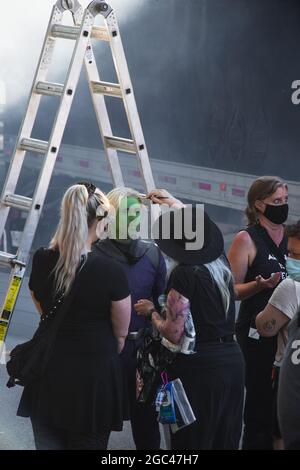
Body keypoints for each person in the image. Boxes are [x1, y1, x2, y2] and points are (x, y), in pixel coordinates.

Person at [16, 182, 131, 450]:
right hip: (94, 385)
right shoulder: (110, 271)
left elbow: (44, 310)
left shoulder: (43, 259)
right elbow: (121, 333)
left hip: (48, 377)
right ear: (100, 221)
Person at [135, 190, 245, 450]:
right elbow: (202, 231)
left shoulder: (184, 274)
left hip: (197, 369)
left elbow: (173, 332)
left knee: (189, 442)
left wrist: (151, 312)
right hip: (232, 363)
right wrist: (175, 204)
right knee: (224, 441)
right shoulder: (220, 263)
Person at [93, 187, 166, 450]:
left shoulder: (153, 254)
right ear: (111, 215)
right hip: (104, 351)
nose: (134, 218)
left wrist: (155, 316)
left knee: (146, 427)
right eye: (127, 212)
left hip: (141, 355)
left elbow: (164, 304)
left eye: (138, 213)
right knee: (97, 425)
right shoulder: (94, 252)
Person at [227, 176, 289, 450]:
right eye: (277, 201)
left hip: (287, 334)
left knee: (283, 408)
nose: (283, 206)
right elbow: (230, 290)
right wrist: (258, 285)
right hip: (255, 334)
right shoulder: (246, 239)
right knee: (258, 406)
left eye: (286, 201)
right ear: (259, 204)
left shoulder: (291, 238)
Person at [255, 221, 300, 449]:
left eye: (297, 254)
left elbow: (266, 327)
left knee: (280, 434)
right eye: (289, 253)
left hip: (288, 372)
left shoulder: (291, 286)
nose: (291, 260)